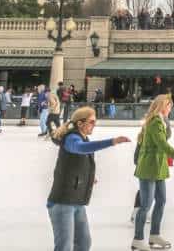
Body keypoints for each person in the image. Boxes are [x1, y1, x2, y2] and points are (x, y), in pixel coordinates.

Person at [47, 106, 130, 251]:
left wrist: (88, 177)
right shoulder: (72, 138)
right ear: (80, 123)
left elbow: (78, 162)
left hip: (76, 201)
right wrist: (112, 142)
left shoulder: (82, 138)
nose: (94, 125)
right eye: (91, 122)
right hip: (62, 202)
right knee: (64, 247)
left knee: (83, 243)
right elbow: (81, 148)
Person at [132, 95, 174, 251]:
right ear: (160, 106)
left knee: (161, 200)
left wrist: (167, 120)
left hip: (158, 168)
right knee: (145, 205)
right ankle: (138, 239)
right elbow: (163, 144)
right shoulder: (154, 122)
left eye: (171, 106)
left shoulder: (161, 121)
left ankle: (154, 235)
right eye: (168, 106)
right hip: (149, 167)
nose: (170, 109)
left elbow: (167, 136)